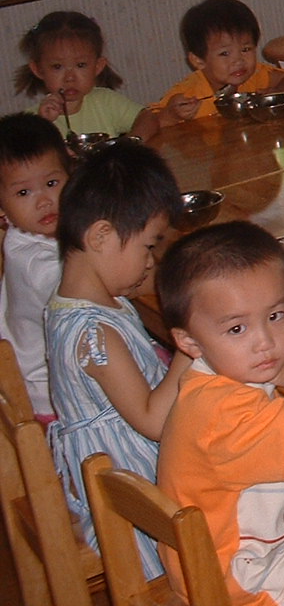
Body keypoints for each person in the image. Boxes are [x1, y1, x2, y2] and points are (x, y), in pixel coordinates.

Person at [156, 221, 284, 606]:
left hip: (244, 558)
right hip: (250, 582)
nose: (264, 342)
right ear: (189, 342)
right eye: (237, 329)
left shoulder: (210, 379)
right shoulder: (225, 412)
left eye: (276, 316)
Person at [45, 142, 190, 579]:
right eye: (148, 247)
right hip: (130, 496)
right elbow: (152, 420)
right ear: (101, 237)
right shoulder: (93, 333)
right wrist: (189, 347)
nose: (150, 262)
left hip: (122, 469)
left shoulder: (91, 299)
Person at [0, 113, 71, 421]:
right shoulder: (32, 261)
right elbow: (87, 287)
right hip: (55, 396)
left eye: (51, 183)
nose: (43, 201)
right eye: (23, 192)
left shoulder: (38, 234)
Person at [153, 0, 284, 125]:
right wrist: (172, 115)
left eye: (245, 49)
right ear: (198, 61)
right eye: (225, 53)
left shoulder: (256, 75)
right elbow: (152, 121)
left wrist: (280, 91)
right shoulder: (188, 92)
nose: (238, 61)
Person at [15, 10, 159, 141]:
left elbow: (148, 118)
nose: (70, 77)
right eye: (57, 67)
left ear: (98, 66)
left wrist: (131, 142)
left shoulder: (105, 102)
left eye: (81, 65)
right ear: (38, 69)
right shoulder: (31, 120)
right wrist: (43, 125)